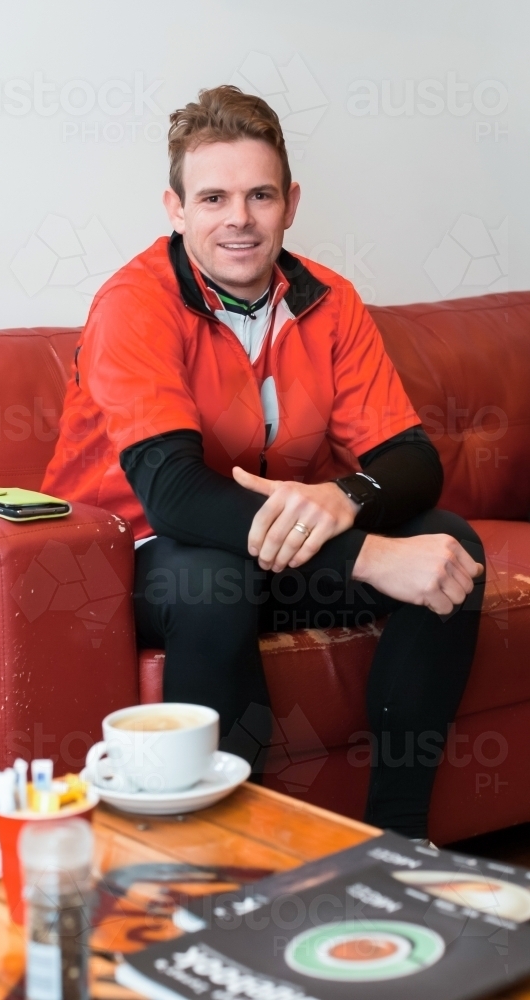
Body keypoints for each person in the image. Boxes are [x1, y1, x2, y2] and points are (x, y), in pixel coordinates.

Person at [42, 85, 485, 840]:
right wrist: (367, 554)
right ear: (176, 209)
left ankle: (398, 843)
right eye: (213, 198)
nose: (239, 219)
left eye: (260, 195)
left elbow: (411, 460)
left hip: (267, 549)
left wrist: (346, 499)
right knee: (214, 580)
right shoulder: (134, 304)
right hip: (132, 555)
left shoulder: (329, 300)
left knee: (450, 547)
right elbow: (176, 496)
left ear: (291, 203)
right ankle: (214, 859)